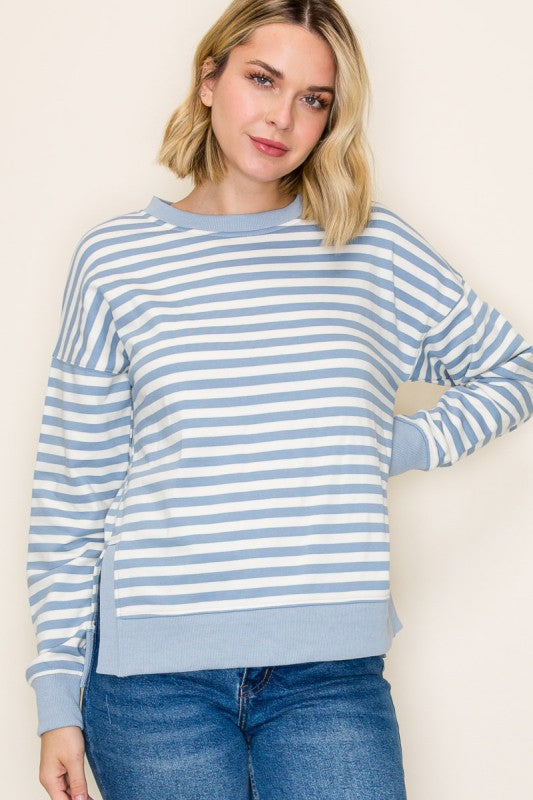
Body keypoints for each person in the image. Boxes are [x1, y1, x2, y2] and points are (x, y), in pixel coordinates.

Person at [26, 1, 533, 799]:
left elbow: (514, 368)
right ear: (209, 78)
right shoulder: (114, 261)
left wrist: (395, 443)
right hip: (150, 688)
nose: (282, 117)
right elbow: (73, 492)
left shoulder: (369, 245)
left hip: (329, 676)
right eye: (262, 80)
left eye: (313, 98)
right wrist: (57, 695)